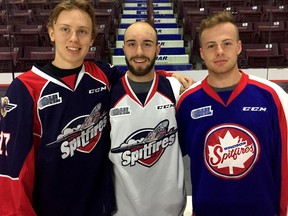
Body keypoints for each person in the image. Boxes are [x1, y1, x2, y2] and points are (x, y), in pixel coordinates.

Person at [0, 1, 193, 215]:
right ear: (51, 32)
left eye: (82, 31)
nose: (74, 38)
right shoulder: (25, 89)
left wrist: (169, 77)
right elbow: (12, 173)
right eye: (66, 29)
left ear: (92, 38)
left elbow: (138, 75)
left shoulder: (100, 75)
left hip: (101, 208)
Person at [176, 11, 288, 216]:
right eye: (211, 46)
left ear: (239, 47)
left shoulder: (272, 96)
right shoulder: (187, 102)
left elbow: (283, 162)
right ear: (201, 53)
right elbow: (171, 162)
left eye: (226, 43)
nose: (219, 51)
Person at [108, 21, 187, 216]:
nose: (139, 52)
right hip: (122, 209)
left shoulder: (176, 89)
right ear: (124, 48)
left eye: (147, 44)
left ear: (157, 48)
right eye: (132, 44)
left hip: (170, 208)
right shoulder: (108, 92)